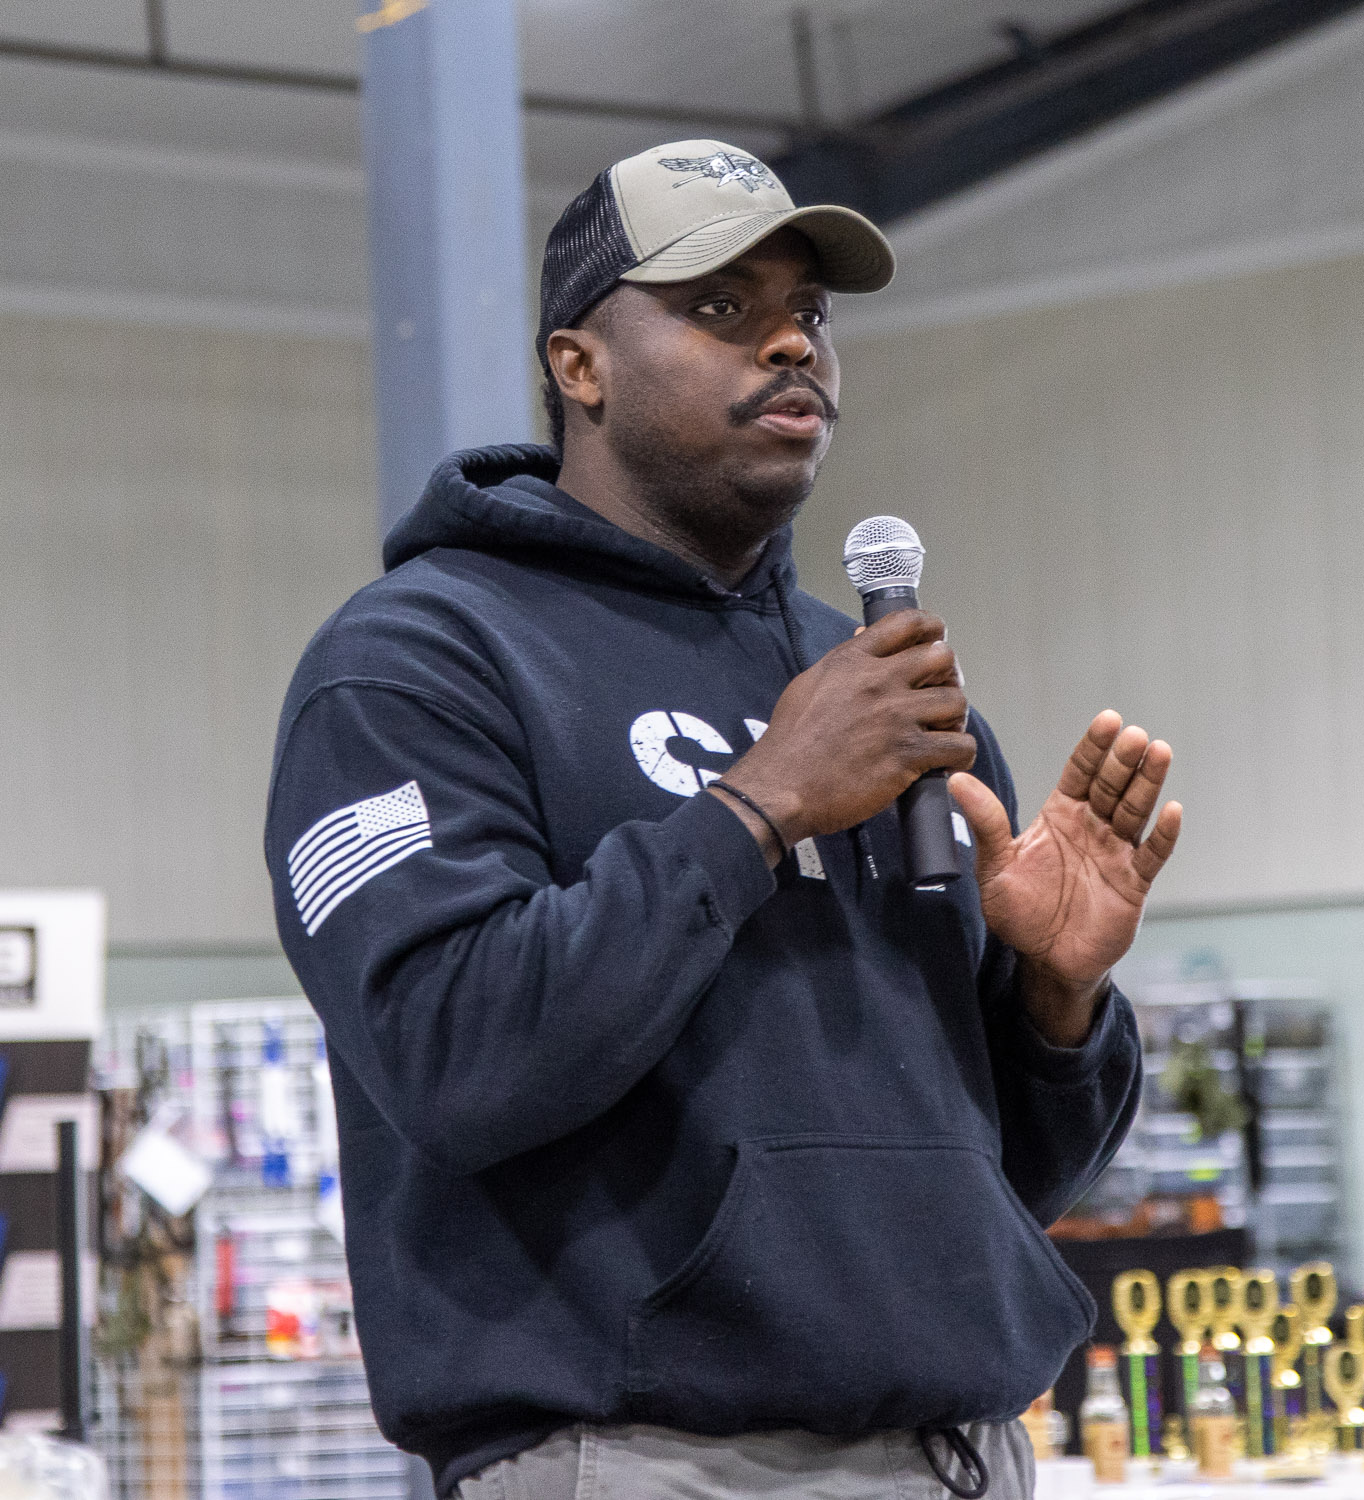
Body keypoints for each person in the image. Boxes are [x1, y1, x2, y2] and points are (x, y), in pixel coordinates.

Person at [265, 139, 1182, 1500]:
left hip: (960, 1454)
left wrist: (1056, 1001)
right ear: (579, 365)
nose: (791, 345)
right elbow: (454, 1056)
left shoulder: (881, 696)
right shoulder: (416, 663)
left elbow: (1002, 1182)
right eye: (719, 307)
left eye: (808, 312)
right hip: (645, 1460)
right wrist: (757, 806)